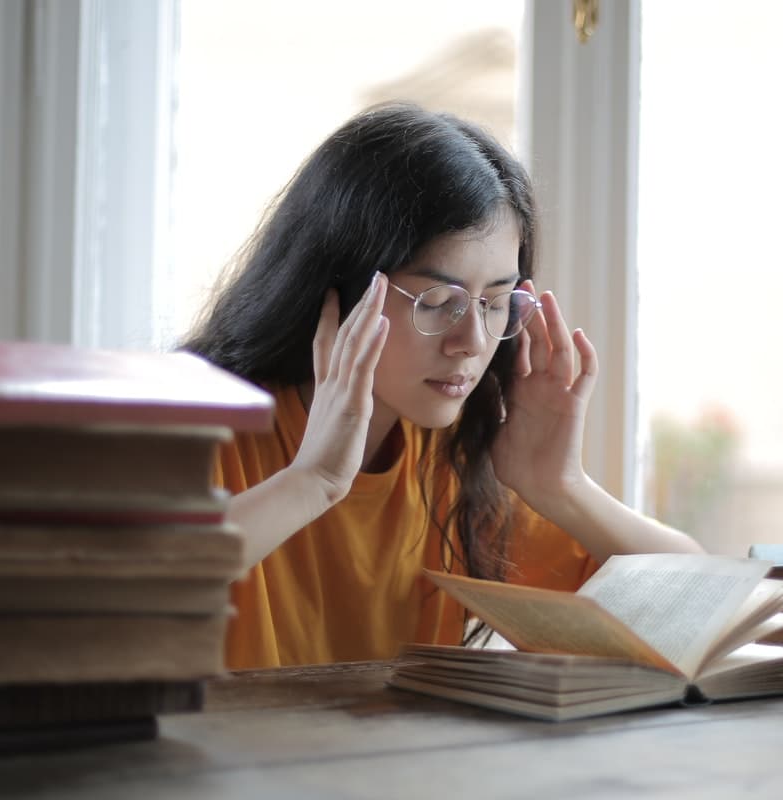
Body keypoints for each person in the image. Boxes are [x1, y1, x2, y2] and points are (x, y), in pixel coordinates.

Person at [183, 102, 703, 669]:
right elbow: (110, 594)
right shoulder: (200, 432)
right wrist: (314, 481)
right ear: (336, 291)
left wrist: (559, 485)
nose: (473, 342)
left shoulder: (448, 459)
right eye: (437, 303)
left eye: (497, 303)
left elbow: (694, 604)